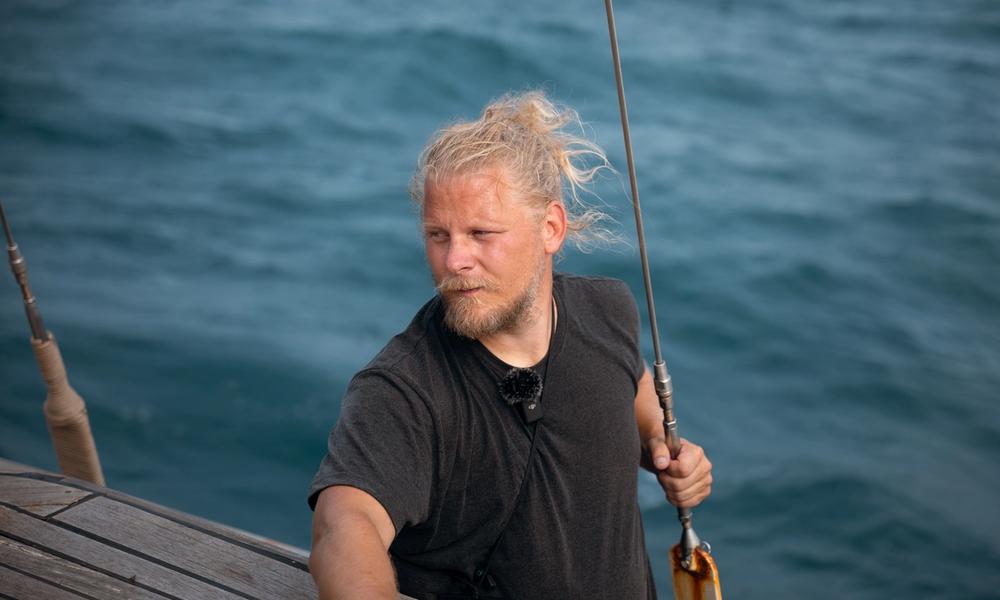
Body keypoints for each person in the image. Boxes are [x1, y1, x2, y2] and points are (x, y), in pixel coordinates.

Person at [308, 91, 713, 600]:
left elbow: (629, 383)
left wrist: (658, 442)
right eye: (438, 235)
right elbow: (345, 527)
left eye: (481, 233)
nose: (454, 260)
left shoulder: (608, 309)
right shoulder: (402, 389)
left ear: (550, 228)